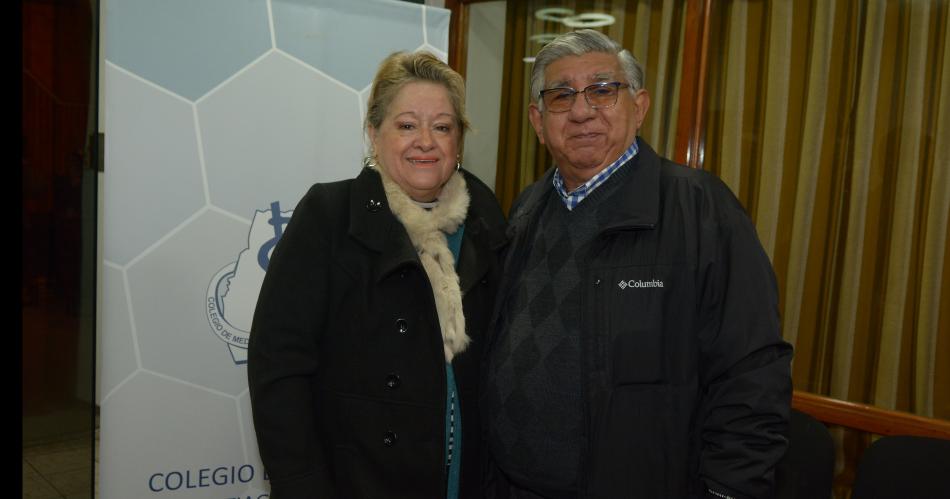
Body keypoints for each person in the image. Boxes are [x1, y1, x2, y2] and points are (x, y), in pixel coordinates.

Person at [482, 29, 793, 499]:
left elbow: (752, 370)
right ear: (538, 121)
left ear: (640, 107)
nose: (582, 110)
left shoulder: (700, 210)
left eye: (603, 90)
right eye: (561, 96)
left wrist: (730, 490)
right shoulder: (527, 207)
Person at [248, 51, 507, 499]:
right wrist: (302, 486)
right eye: (406, 125)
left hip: (464, 474)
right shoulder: (330, 216)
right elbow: (279, 365)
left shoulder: (487, 221)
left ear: (459, 141)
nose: (425, 141)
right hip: (359, 478)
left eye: (442, 127)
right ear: (374, 134)